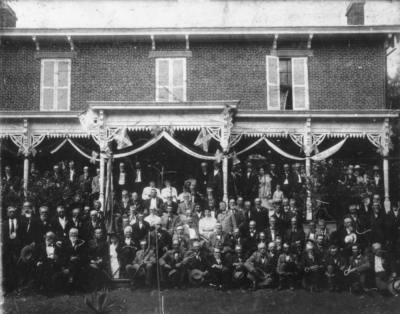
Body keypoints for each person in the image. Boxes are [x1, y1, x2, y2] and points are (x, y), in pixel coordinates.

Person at [2, 206, 26, 293]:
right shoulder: (4, 224)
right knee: (7, 268)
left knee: (16, 268)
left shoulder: (20, 222)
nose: (12, 213)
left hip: (17, 248)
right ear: (7, 214)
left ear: (16, 213)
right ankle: (7, 288)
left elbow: (23, 236)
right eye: (10, 212)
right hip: (7, 249)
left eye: (14, 212)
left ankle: (16, 287)